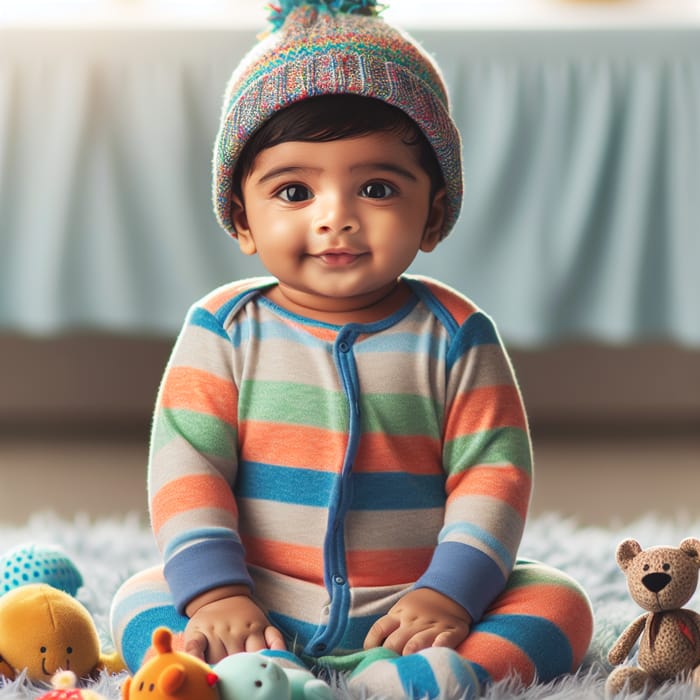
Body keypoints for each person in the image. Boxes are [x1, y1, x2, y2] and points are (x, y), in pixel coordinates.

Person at [110, 2, 593, 698]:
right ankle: (235, 670)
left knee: (557, 602)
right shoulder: (223, 329)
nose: (335, 215)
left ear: (432, 213)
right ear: (243, 219)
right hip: (262, 602)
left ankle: (425, 677)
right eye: (295, 191)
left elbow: (495, 474)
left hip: (408, 610)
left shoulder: (456, 335)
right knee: (143, 597)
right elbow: (188, 463)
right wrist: (216, 594)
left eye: (375, 187)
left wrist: (449, 595)